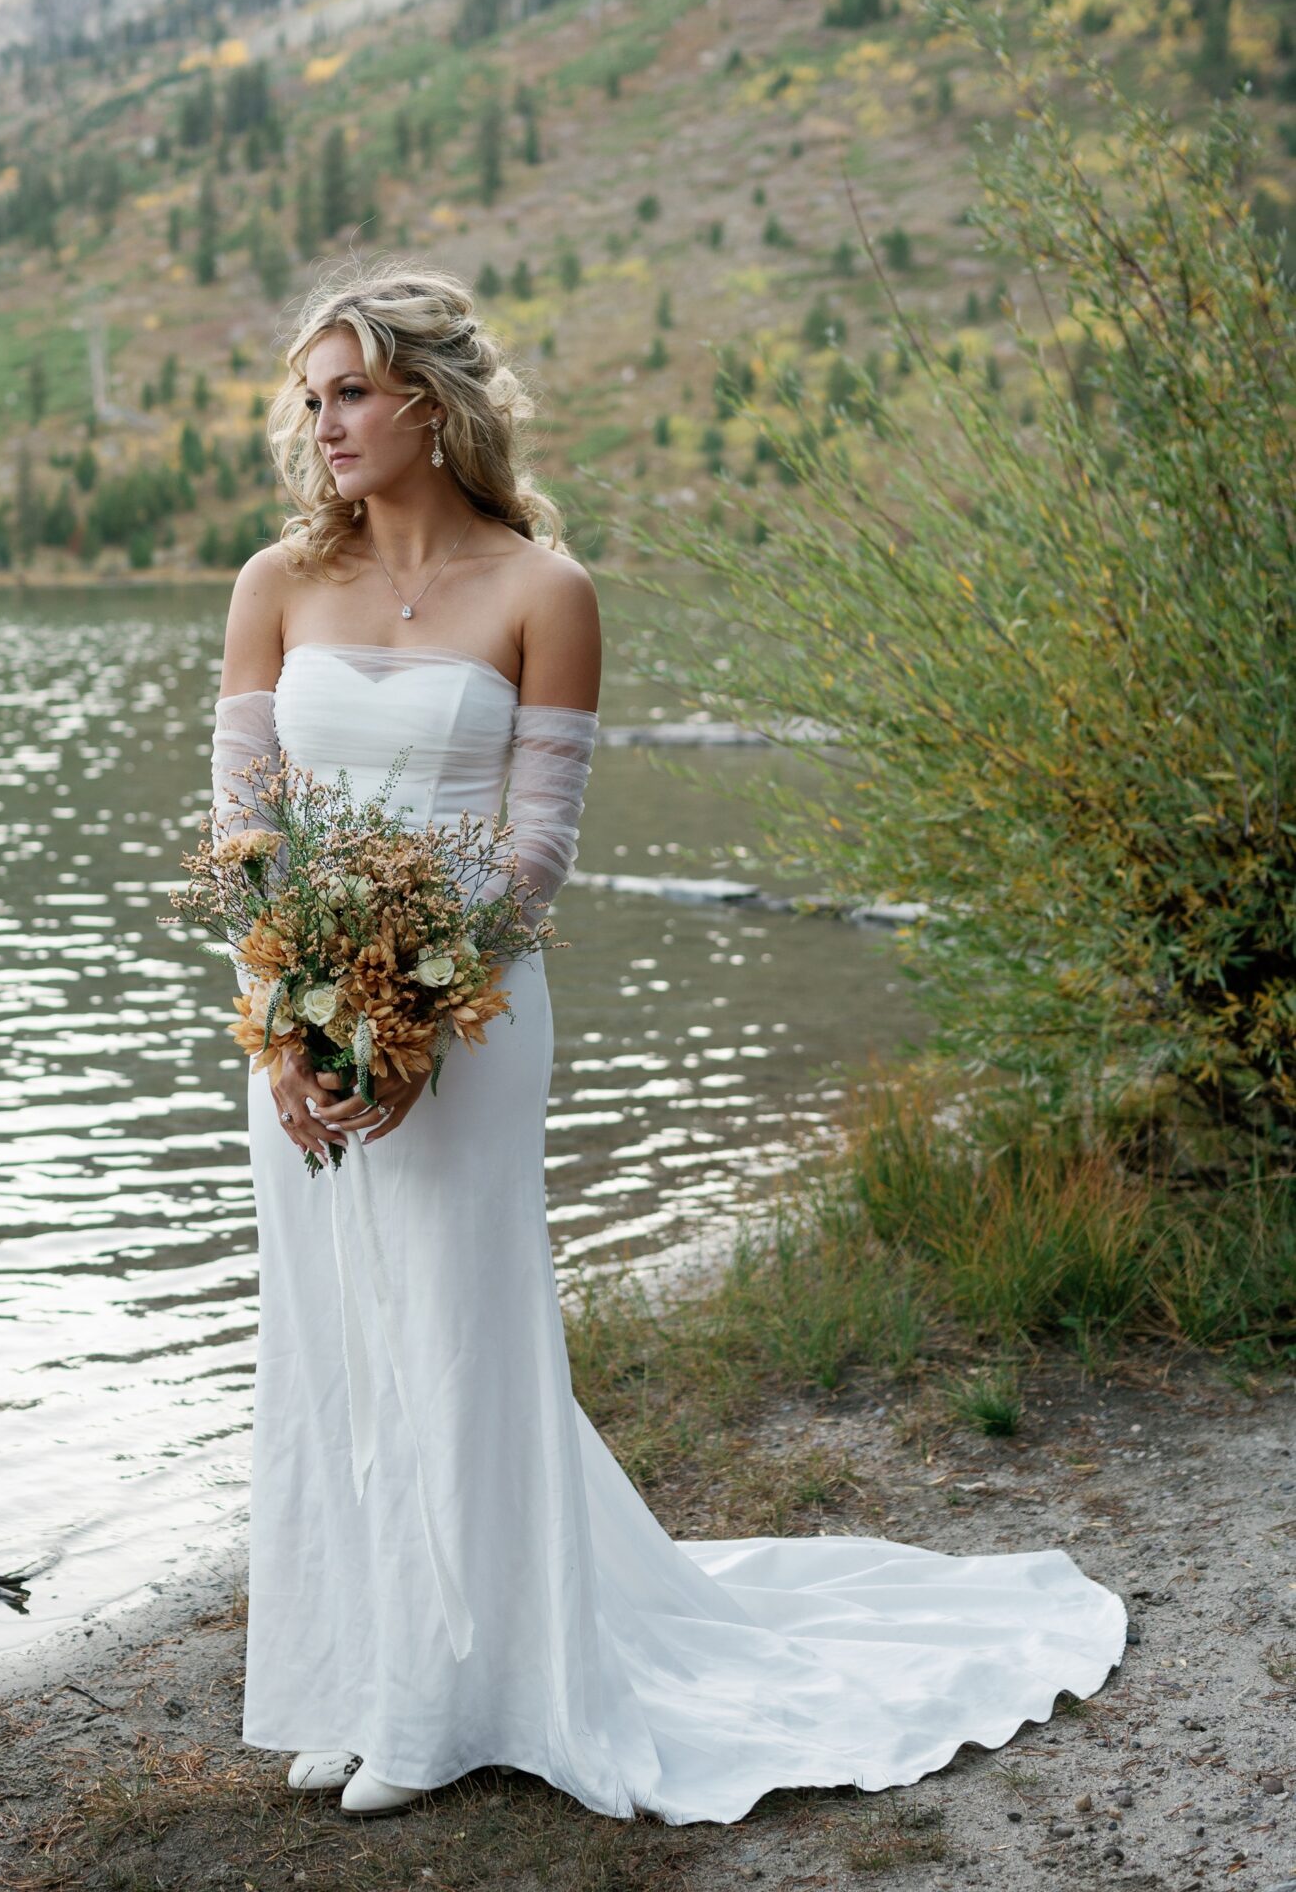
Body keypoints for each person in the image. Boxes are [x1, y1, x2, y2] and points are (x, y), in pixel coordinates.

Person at [210, 258, 1125, 1825]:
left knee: (456, 1332)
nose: (327, 423)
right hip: (299, 1012)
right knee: (336, 1344)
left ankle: (452, 1698)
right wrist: (292, 1015)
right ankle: (359, 1670)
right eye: (314, 397)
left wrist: (422, 1020)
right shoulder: (275, 584)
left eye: (351, 389)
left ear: (430, 401)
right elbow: (243, 830)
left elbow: (535, 849)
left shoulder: (542, 592)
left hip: (471, 1016)